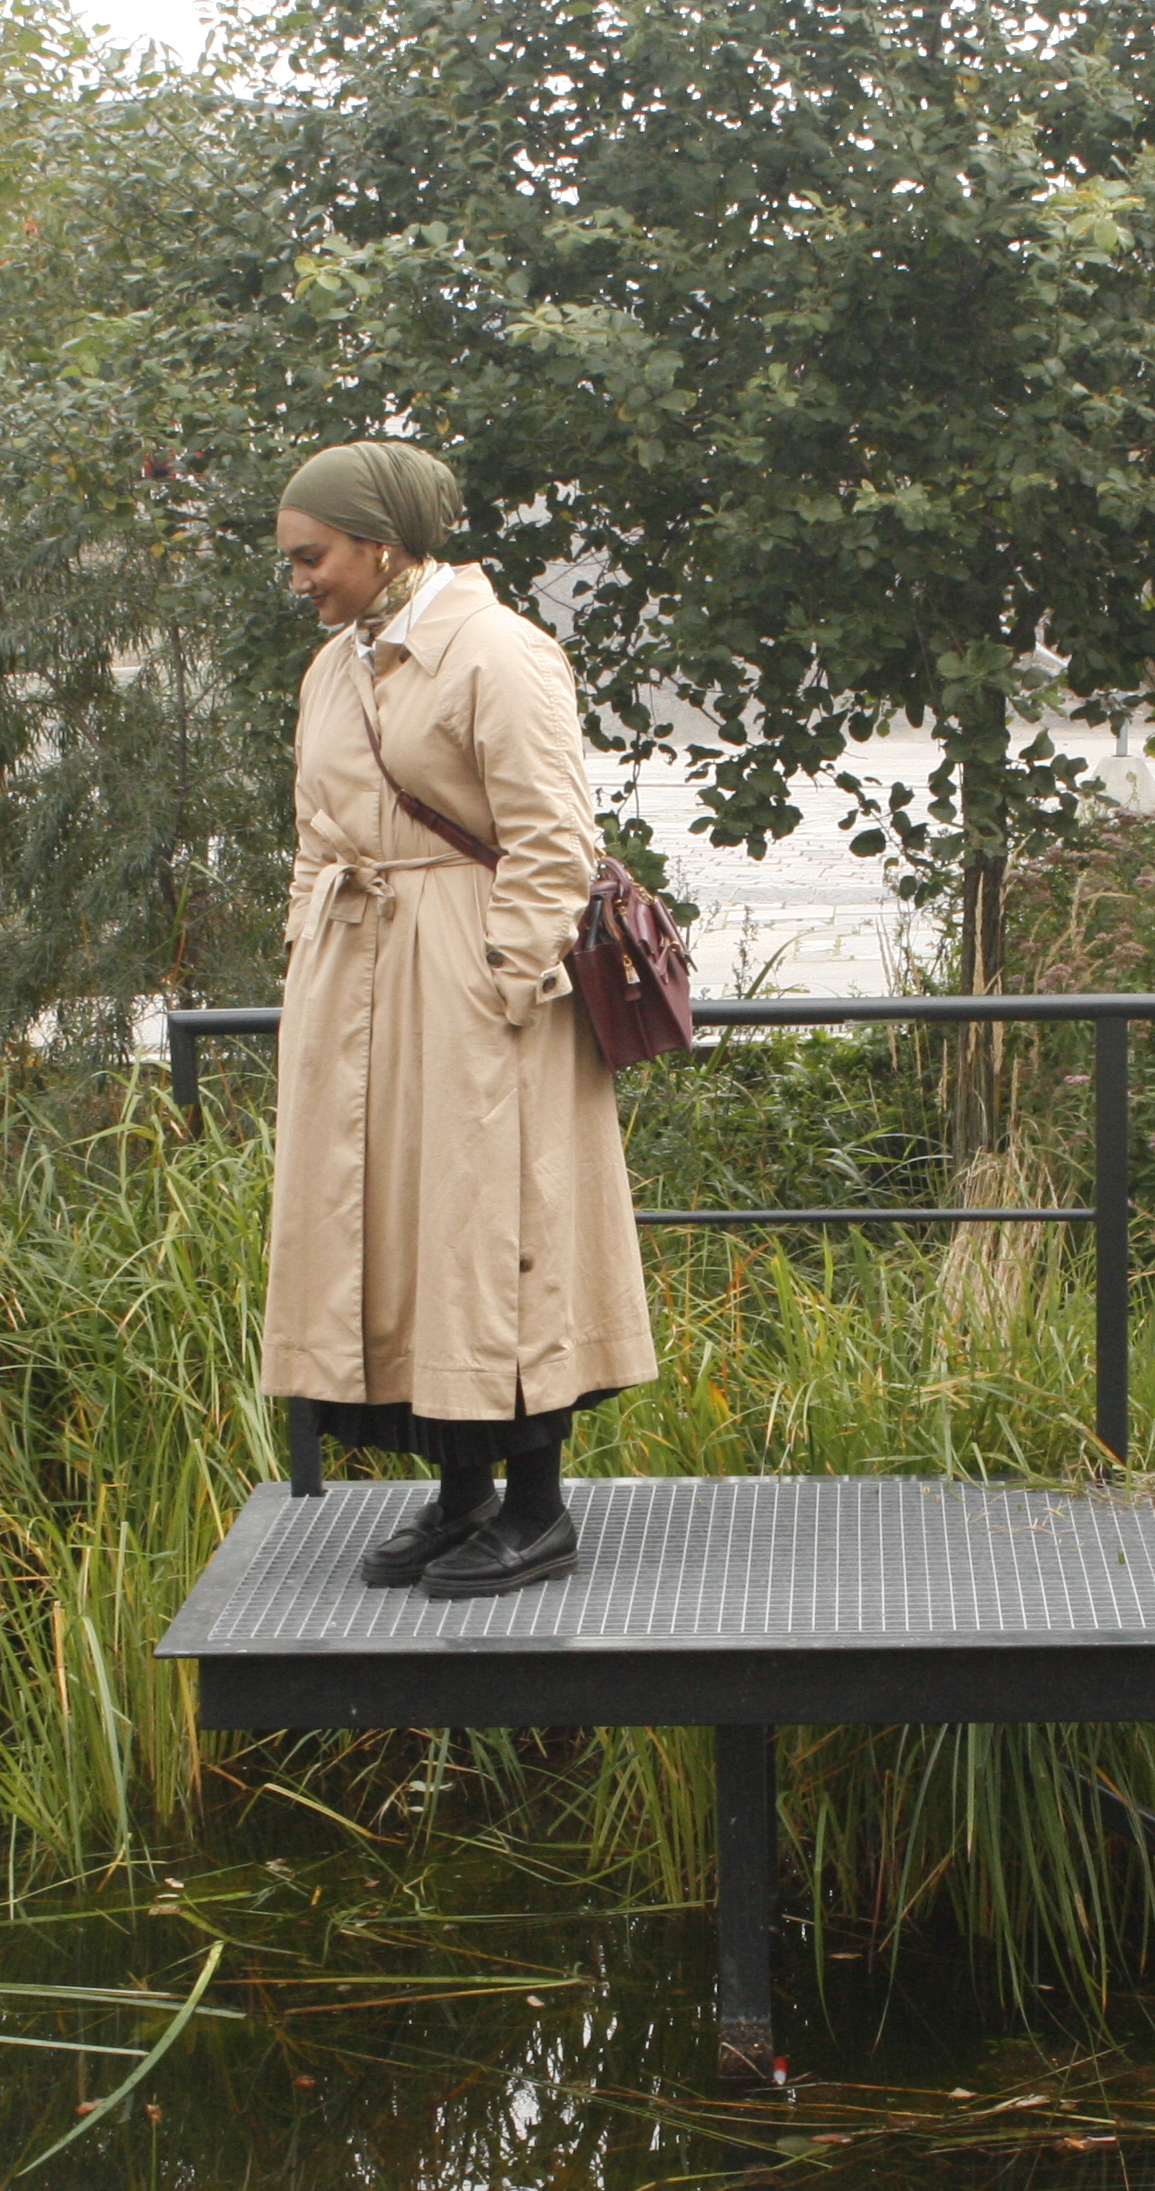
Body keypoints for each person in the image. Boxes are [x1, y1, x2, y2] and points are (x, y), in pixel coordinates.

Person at [259, 438, 657, 1598]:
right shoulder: (334, 667)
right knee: (400, 1230)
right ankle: (460, 1494)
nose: (300, 579)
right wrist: (308, 962)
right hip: (360, 980)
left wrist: (505, 983)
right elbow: (316, 836)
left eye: (313, 556)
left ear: (381, 544)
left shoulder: (498, 652)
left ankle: (537, 1510)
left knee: (495, 1228)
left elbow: (553, 840)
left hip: (479, 984)